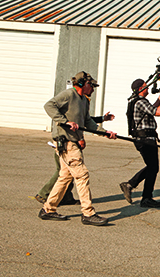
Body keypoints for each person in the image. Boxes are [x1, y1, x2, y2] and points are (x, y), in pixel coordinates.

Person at [37, 72, 117, 226]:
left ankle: (48, 209)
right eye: (91, 85)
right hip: (66, 142)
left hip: (73, 142)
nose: (93, 89)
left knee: (65, 177)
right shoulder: (68, 95)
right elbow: (49, 105)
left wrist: (105, 133)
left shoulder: (84, 101)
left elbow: (88, 122)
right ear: (82, 84)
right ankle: (88, 213)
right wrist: (65, 121)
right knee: (82, 175)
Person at [34, 112, 114, 205]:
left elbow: (84, 120)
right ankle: (44, 194)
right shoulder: (71, 100)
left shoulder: (81, 101)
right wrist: (80, 138)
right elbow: (74, 121)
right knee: (62, 171)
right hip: (65, 141)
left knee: (70, 171)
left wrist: (102, 119)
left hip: (71, 141)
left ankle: (66, 196)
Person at [119, 79, 160, 208]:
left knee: (152, 167)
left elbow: (152, 108)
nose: (148, 88)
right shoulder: (140, 102)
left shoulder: (138, 101)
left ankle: (134, 188)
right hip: (145, 139)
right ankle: (143, 196)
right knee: (153, 167)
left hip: (145, 139)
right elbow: (158, 112)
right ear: (139, 89)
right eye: (146, 87)